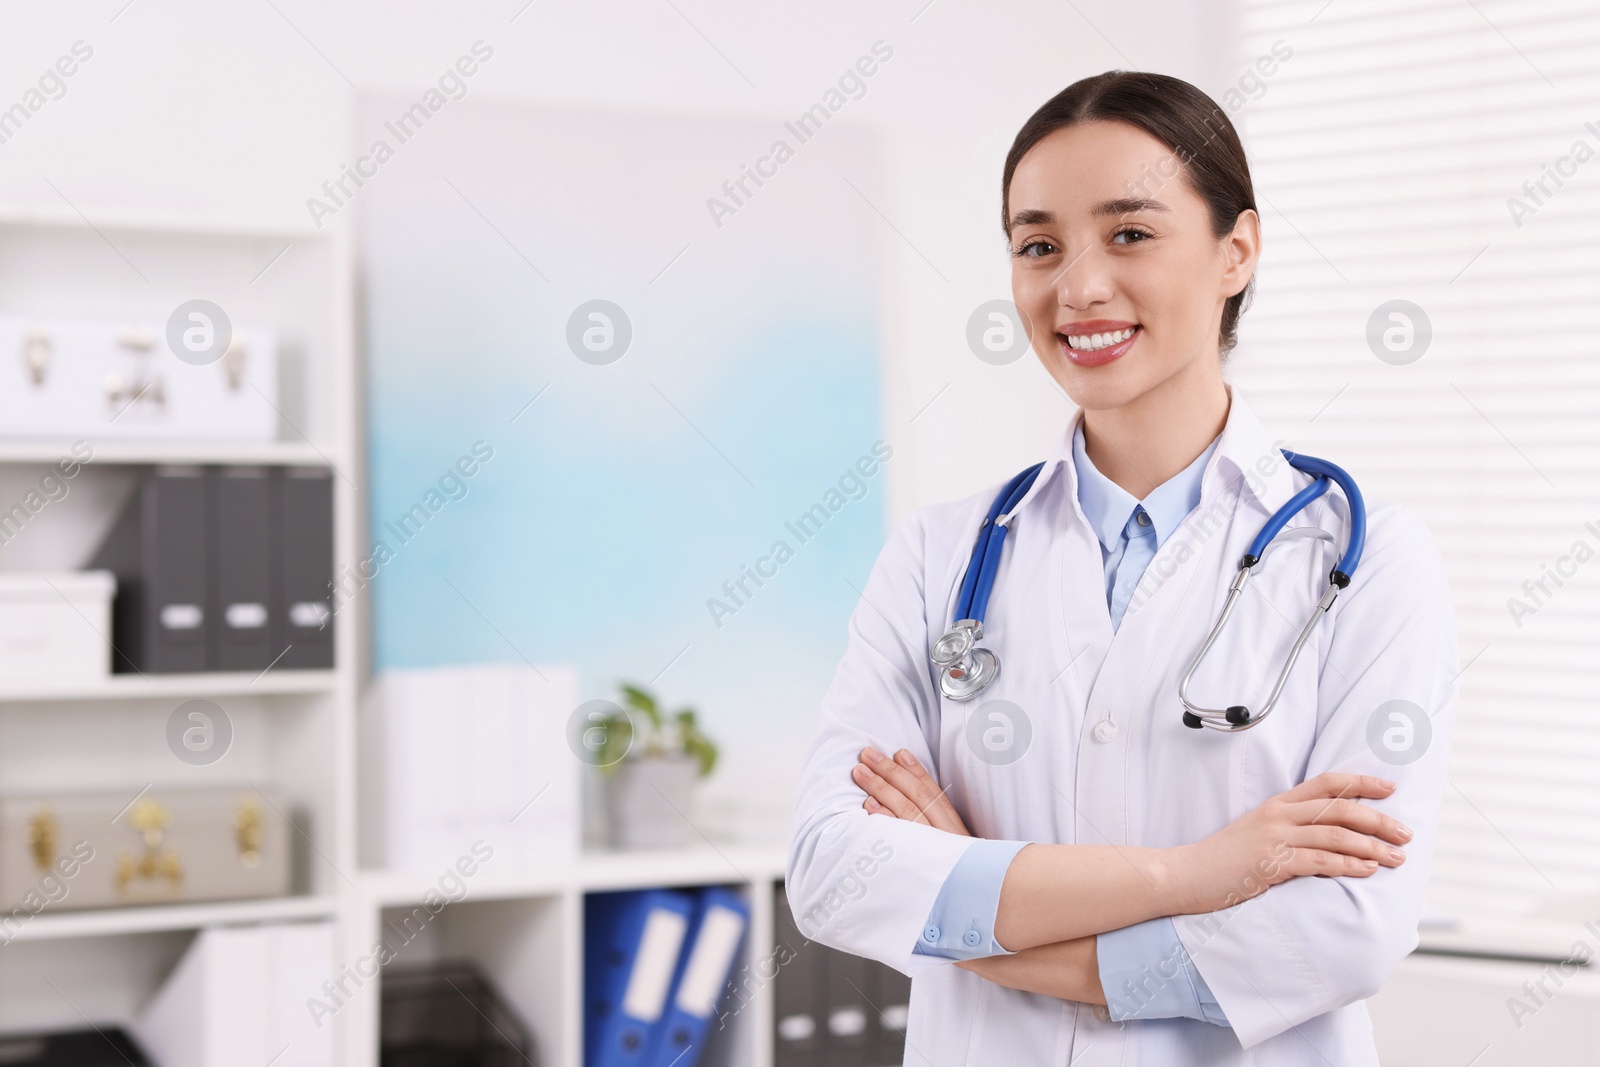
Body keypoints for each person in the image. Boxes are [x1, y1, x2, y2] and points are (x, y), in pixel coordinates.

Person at [784, 71, 1459, 1066]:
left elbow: (1345, 926)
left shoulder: (1363, 561)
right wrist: (1194, 873)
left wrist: (978, 921)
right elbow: (833, 870)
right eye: (1038, 245)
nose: (1078, 285)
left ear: (1238, 250)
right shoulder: (938, 557)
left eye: (1129, 233)